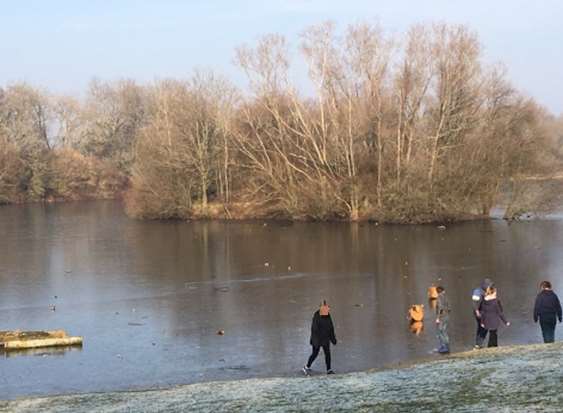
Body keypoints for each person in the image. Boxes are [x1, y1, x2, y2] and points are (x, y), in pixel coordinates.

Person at [303, 300, 337, 375]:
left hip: (325, 339)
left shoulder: (328, 316)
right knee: (315, 353)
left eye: (326, 307)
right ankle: (306, 367)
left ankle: (329, 369)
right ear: (320, 307)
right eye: (323, 307)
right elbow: (314, 329)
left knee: (327, 353)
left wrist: (333, 339)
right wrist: (317, 341)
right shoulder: (316, 316)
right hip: (317, 339)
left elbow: (331, 327)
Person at [472, 278, 494, 348]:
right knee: (484, 327)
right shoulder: (477, 291)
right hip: (479, 312)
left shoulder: (486, 291)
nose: (490, 287)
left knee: (482, 327)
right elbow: (474, 302)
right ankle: (478, 344)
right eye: (489, 286)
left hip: (484, 312)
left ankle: (478, 344)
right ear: (485, 285)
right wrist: (477, 311)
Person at [435, 286, 450, 354]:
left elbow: (440, 308)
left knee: (440, 332)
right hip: (447, 316)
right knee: (444, 331)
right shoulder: (446, 297)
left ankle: (444, 347)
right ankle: (447, 346)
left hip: (442, 317)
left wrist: (438, 318)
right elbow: (449, 308)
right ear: (442, 291)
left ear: (437, 291)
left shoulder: (439, 298)